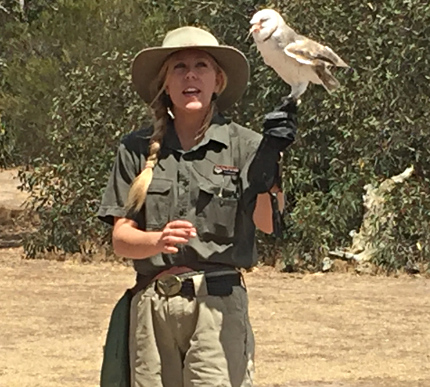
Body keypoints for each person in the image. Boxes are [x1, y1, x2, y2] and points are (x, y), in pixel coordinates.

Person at [97, 26, 297, 387]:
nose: (191, 74)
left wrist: (268, 168)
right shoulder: (135, 148)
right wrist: (156, 241)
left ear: (218, 80)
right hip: (152, 309)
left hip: (218, 310)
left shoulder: (246, 146)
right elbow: (121, 239)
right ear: (165, 84)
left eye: (201, 65)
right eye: (179, 67)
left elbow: (269, 225)